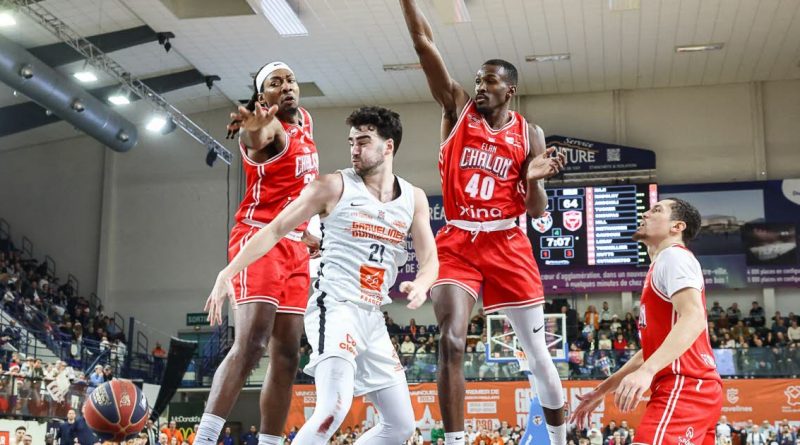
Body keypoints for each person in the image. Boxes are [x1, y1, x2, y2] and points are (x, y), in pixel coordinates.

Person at [206, 106, 437, 444]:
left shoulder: (413, 198)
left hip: (373, 317)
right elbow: (275, 229)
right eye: (351, 142)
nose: (354, 149)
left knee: (400, 426)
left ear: (388, 146)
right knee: (333, 409)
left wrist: (422, 283)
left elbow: (430, 259)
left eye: (363, 141)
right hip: (336, 309)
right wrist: (228, 271)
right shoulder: (331, 186)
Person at [398, 2, 567, 444]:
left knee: (538, 356)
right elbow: (423, 42)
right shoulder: (457, 109)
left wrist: (533, 178)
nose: (479, 87)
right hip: (458, 241)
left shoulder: (529, 133)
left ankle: (561, 439)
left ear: (509, 90)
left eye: (489, 81)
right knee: (451, 340)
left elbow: (535, 210)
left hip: (507, 241)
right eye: (477, 80)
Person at [195, 61, 320, 445]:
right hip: (259, 240)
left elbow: (300, 192)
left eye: (290, 79)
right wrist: (252, 127)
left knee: (288, 355)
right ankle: (204, 439)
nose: (287, 86)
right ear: (262, 96)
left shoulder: (305, 121)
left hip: (295, 246)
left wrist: (308, 232)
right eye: (275, 83)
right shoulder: (270, 130)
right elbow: (258, 137)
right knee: (251, 344)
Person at [571, 199, 723, 445]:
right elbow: (651, 352)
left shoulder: (673, 256)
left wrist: (647, 372)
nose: (645, 213)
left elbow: (694, 317)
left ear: (677, 227)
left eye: (657, 210)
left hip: (684, 384)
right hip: (693, 387)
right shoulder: (662, 264)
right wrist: (602, 390)